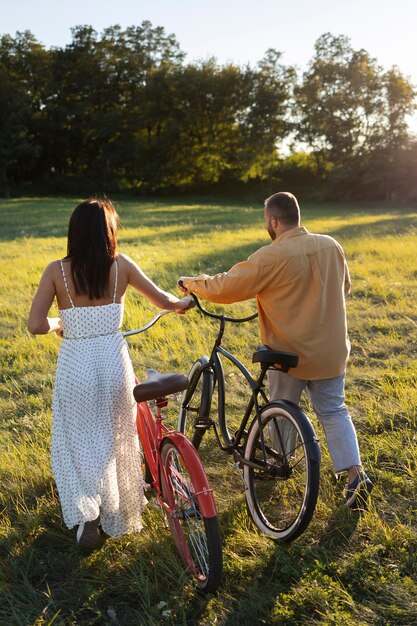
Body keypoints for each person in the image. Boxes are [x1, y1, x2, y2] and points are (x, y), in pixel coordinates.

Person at [178, 191, 373, 510]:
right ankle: (355, 475)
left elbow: (227, 286)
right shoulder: (331, 245)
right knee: (335, 411)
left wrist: (191, 283)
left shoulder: (272, 256)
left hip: (290, 354)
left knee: (282, 405)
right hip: (333, 351)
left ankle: (278, 462)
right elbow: (345, 287)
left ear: (273, 221)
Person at [28, 198, 193, 549]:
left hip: (76, 365)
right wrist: (183, 303)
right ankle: (112, 511)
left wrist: (60, 323)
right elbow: (165, 301)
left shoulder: (56, 271)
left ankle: (86, 516)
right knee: (114, 439)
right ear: (109, 232)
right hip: (113, 363)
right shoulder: (122, 267)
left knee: (78, 440)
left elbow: (35, 324)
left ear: (74, 232)